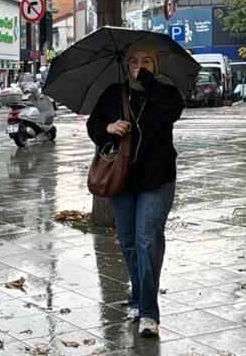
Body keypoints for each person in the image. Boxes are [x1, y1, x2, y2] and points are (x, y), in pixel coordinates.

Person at [86, 43, 184, 338]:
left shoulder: (166, 93)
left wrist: (148, 83)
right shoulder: (114, 94)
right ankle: (138, 297)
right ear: (125, 66)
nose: (139, 66)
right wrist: (109, 128)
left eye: (146, 62)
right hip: (122, 181)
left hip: (157, 179)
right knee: (128, 242)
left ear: (156, 65)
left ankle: (149, 312)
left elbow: (171, 114)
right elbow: (93, 125)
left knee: (147, 241)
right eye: (133, 62)